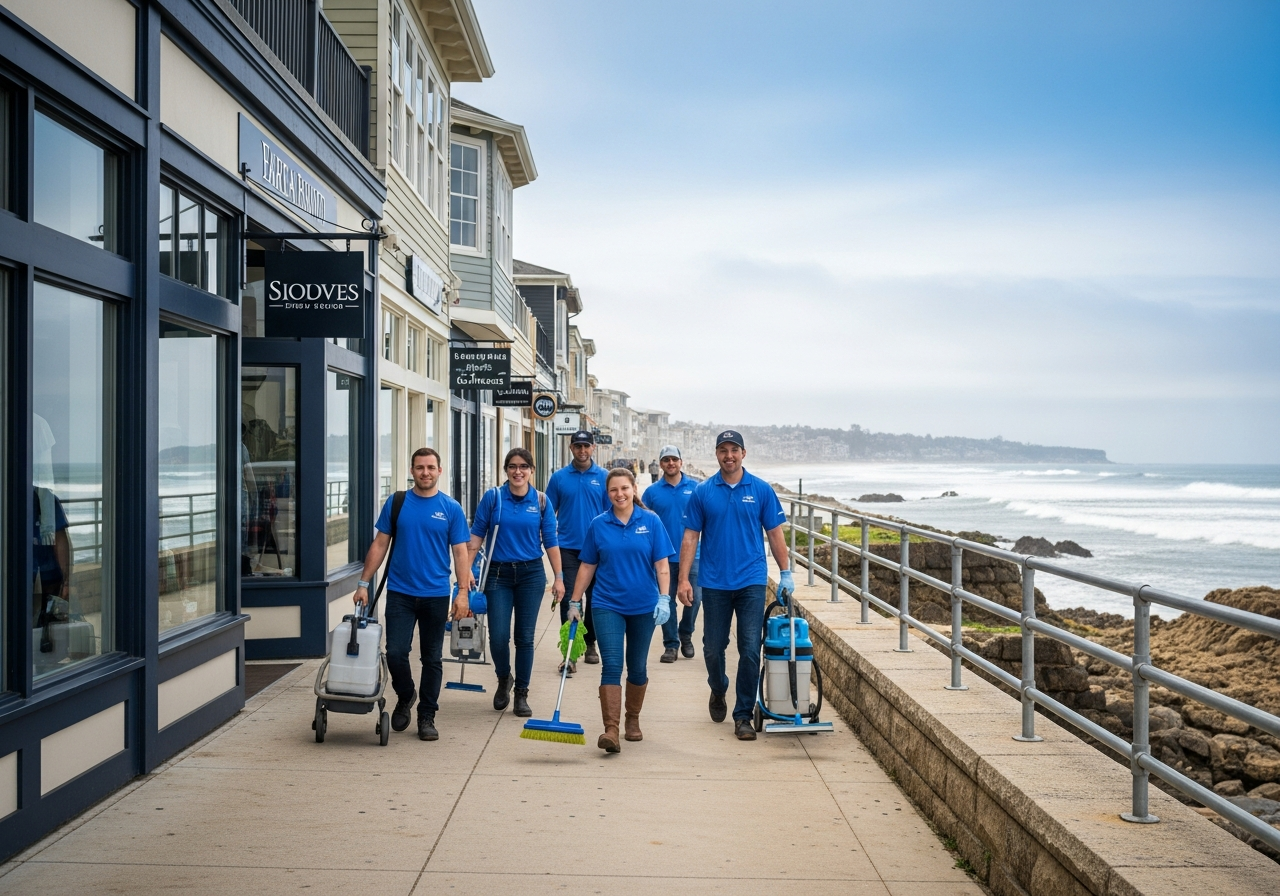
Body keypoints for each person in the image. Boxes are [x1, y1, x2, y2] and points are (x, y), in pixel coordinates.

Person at [678, 430, 795, 741]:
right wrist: (682, 581)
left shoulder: (761, 490)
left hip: (751, 581)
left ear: (744, 453)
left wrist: (786, 573)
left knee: (750, 649)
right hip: (714, 582)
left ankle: (742, 714)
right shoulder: (703, 492)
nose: (728, 455)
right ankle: (718, 688)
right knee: (713, 648)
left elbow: (775, 533)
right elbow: (690, 537)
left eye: (734, 450)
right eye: (722, 450)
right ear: (716, 454)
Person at [354, 448, 472, 742]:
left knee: (432, 658)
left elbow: (460, 552)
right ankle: (406, 695)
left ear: (439, 471)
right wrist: (363, 583)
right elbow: (380, 545)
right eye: (420, 467)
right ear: (412, 470)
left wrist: (462, 593)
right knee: (395, 653)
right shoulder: (397, 503)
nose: (425, 472)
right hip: (400, 592)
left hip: (435, 594)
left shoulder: (451, 508)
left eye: (431, 467)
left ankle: (427, 715)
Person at [569, 467, 673, 752]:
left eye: (624, 488)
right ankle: (611, 730)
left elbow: (662, 566)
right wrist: (575, 601)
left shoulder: (651, 521)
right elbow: (588, 565)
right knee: (612, 664)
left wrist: (664, 598)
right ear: (608, 493)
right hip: (607, 604)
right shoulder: (598, 524)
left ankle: (632, 720)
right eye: (614, 489)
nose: (619, 494)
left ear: (634, 489)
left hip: (643, 607)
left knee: (637, 667)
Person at [469, 447, 564, 718]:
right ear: (506, 470)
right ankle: (503, 679)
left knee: (524, 637)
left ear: (532, 470)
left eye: (523, 466)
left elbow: (551, 542)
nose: (518, 471)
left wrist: (559, 577)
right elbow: (476, 537)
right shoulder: (494, 498)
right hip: (497, 574)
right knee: (498, 636)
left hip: (531, 574)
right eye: (512, 466)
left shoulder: (542, 501)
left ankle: (521, 692)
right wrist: (465, 572)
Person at [545, 430, 609, 666]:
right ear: (571, 448)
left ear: (593, 448)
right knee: (570, 600)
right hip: (568, 550)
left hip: (597, 550)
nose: (582, 450)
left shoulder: (604, 477)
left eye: (586, 446)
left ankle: (590, 642)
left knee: (595, 600)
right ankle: (570, 653)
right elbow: (549, 514)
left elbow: (610, 514)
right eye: (578, 446)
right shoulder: (559, 478)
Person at [643, 445, 702, 663]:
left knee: (694, 599)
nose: (670, 463)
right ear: (660, 464)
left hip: (694, 556)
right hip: (663, 557)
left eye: (674, 459)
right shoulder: (652, 492)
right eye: (666, 460)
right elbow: (644, 521)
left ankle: (686, 633)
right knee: (666, 601)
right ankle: (671, 644)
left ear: (681, 462)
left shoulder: (696, 489)